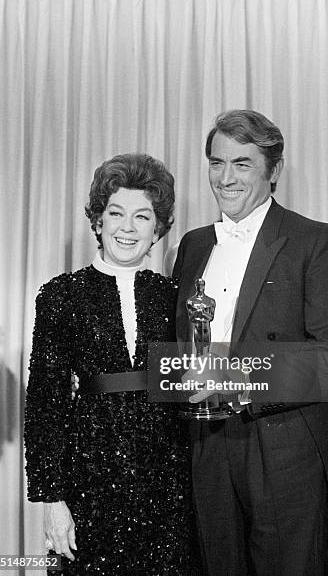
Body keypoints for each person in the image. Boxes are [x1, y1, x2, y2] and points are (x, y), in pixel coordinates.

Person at [172, 110, 328, 575]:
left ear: (273, 170)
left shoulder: (314, 240)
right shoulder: (194, 244)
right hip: (206, 448)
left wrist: (238, 380)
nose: (226, 177)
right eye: (217, 163)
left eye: (242, 164)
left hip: (283, 451)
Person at [24, 153, 200, 575]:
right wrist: (52, 500)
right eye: (116, 213)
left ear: (157, 228)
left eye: (142, 217)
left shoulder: (175, 296)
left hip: (168, 484)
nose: (127, 227)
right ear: (98, 220)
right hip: (89, 482)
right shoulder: (61, 295)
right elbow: (45, 403)